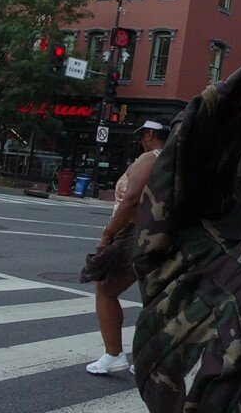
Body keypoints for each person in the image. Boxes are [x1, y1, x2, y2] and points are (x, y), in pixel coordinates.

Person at [83, 120, 167, 375]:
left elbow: (130, 200)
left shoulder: (149, 158)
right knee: (155, 297)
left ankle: (113, 355)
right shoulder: (174, 159)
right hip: (158, 232)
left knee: (105, 291)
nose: (140, 140)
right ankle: (152, 359)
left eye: (142, 136)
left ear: (150, 134)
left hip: (133, 231)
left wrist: (107, 235)